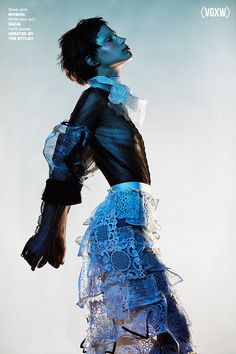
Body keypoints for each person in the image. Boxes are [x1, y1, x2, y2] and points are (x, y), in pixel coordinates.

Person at [21, 17, 197, 354]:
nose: (121, 38)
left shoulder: (110, 100)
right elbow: (65, 161)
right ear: (91, 59)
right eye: (109, 38)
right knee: (168, 333)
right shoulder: (95, 98)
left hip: (133, 223)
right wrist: (50, 231)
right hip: (121, 227)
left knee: (156, 335)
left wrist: (56, 229)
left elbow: (74, 168)